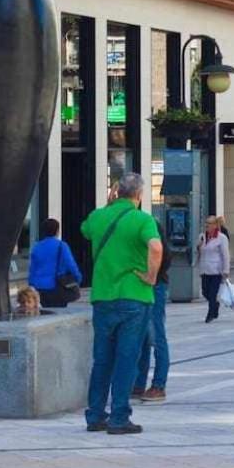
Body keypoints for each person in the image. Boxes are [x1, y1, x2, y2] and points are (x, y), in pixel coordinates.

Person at [82, 173, 162, 435]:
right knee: (127, 358)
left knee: (102, 359)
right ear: (139, 195)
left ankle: (95, 415)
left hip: (103, 297)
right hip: (134, 297)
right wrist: (151, 276)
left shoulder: (98, 217)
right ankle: (119, 417)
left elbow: (86, 229)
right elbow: (156, 247)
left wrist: (108, 204)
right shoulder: (142, 219)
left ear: (116, 192)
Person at [133, 241, 172, 403]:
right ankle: (139, 383)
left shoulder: (149, 228)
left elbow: (163, 254)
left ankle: (158, 385)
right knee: (143, 336)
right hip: (145, 285)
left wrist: (152, 275)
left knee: (156, 335)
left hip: (154, 284)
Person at [28, 218, 84, 308]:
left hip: (39, 288)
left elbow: (32, 268)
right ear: (57, 231)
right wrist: (78, 278)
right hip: (56, 287)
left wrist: (31, 284)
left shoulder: (36, 247)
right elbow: (71, 265)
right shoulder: (61, 246)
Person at [197, 215, 231, 322]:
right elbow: (199, 252)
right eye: (206, 223)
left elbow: (225, 255)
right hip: (205, 269)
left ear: (215, 225)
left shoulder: (221, 238)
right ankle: (215, 305)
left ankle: (210, 314)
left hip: (216, 270)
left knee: (212, 294)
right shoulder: (202, 237)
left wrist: (226, 270)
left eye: (210, 223)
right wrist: (199, 246)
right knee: (205, 292)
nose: (207, 225)